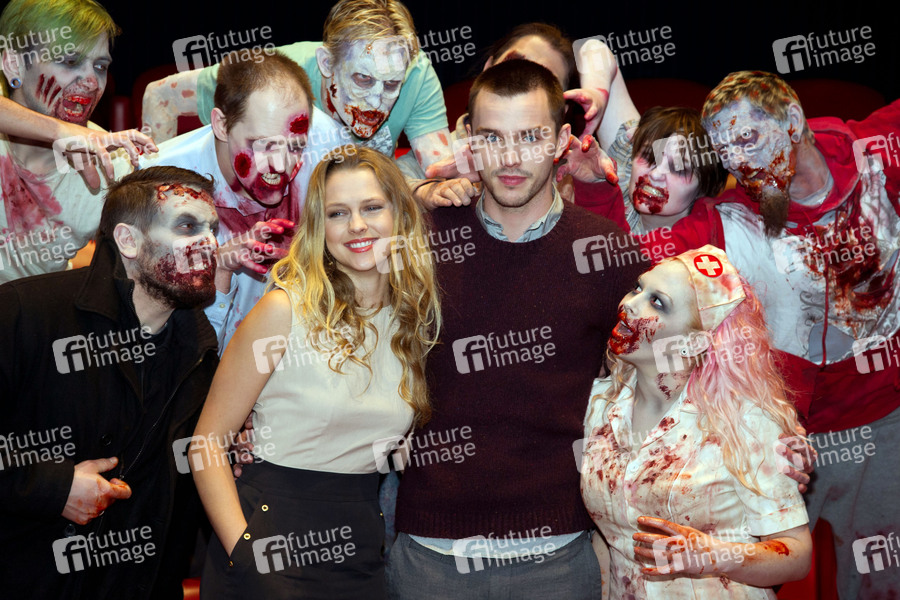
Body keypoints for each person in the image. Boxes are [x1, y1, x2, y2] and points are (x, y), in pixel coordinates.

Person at [387, 58, 646, 600]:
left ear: (561, 142)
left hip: (558, 555)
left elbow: (648, 393)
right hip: (429, 551)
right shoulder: (421, 241)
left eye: (530, 137)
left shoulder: (607, 252)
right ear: (469, 142)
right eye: (492, 137)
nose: (509, 158)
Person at [644, 70, 900, 599]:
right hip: (777, 433)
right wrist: (597, 184)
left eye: (747, 138)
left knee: (881, 578)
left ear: (793, 122)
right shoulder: (728, 221)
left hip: (882, 420)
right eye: (724, 150)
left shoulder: (876, 155)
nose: (738, 161)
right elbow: (634, 256)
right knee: (743, 584)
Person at [191, 145, 440, 598]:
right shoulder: (283, 310)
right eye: (337, 213)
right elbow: (206, 445)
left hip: (360, 551)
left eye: (372, 208)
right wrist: (248, 557)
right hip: (265, 542)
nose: (357, 225)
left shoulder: (412, 322)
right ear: (319, 228)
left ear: (400, 215)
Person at [0, 166, 221, 599]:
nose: (209, 243)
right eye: (187, 227)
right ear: (128, 241)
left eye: (213, 229)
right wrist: (52, 488)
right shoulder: (24, 312)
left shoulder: (200, 350)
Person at [580, 245, 812, 598]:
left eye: (657, 302)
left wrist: (715, 556)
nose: (630, 303)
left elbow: (796, 554)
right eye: (638, 288)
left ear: (693, 342)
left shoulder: (743, 421)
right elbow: (610, 538)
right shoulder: (599, 404)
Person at [142, 49, 348, 350]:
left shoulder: (323, 142)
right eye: (263, 145)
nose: (281, 165)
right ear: (221, 125)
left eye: (295, 146)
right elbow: (163, 342)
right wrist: (216, 267)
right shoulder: (161, 188)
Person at [142, 0, 452, 183]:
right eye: (362, 79)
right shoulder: (273, 74)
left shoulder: (415, 73)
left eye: (392, 85)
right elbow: (161, 96)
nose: (376, 101)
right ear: (326, 63)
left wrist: (401, 176)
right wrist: (159, 194)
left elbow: (437, 171)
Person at [0, 0, 154, 282]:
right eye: (70, 61)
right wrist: (59, 131)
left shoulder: (112, 163)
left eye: (100, 66)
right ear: (14, 64)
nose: (92, 83)